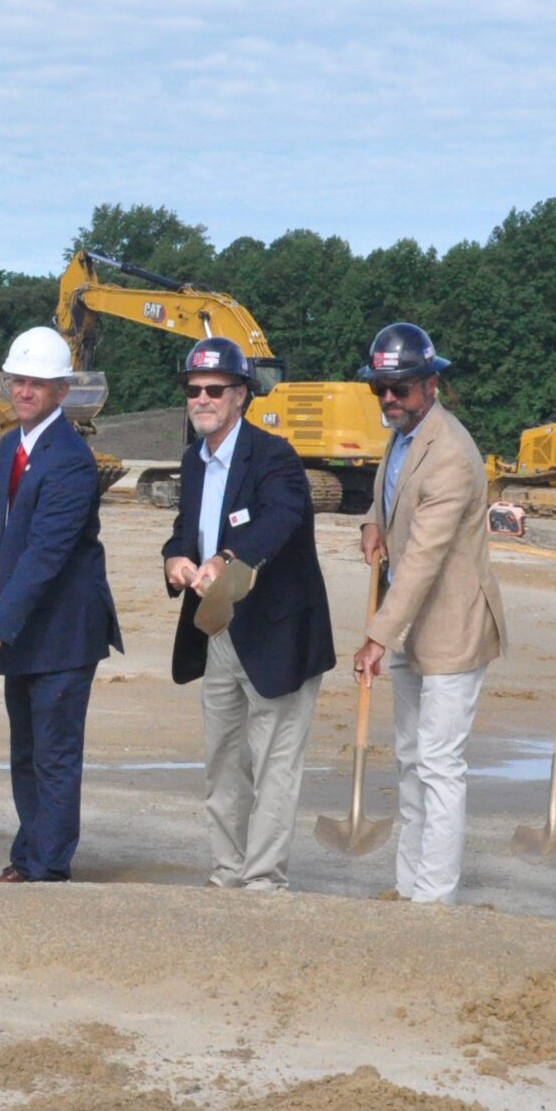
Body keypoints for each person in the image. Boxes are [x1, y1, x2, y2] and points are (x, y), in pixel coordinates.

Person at [160, 338, 334, 891]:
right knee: (223, 762)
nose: (202, 399)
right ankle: (226, 872)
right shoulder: (193, 461)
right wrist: (174, 558)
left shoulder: (274, 455)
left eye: (214, 389)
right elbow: (185, 531)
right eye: (194, 390)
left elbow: (282, 516)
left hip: (279, 632)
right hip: (219, 631)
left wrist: (227, 557)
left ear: (240, 396)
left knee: (274, 766)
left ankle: (263, 882)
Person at [352, 322, 507, 904]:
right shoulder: (402, 437)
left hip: (453, 626)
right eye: (380, 388)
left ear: (431, 383)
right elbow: (387, 496)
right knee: (411, 758)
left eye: (401, 387)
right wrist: (371, 522)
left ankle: (433, 897)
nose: (389, 398)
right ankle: (406, 884)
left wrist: (375, 637)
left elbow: (422, 558)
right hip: (409, 624)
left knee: (440, 764)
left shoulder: (451, 455)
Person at [0, 328, 120, 882]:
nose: (25, 391)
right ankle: (27, 852)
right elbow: (4, 524)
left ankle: (48, 866)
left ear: (61, 391)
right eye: (19, 381)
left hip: (63, 630)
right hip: (25, 626)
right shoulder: (12, 445)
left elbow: (44, 555)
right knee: (26, 751)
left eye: (38, 384)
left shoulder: (72, 460)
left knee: (53, 755)